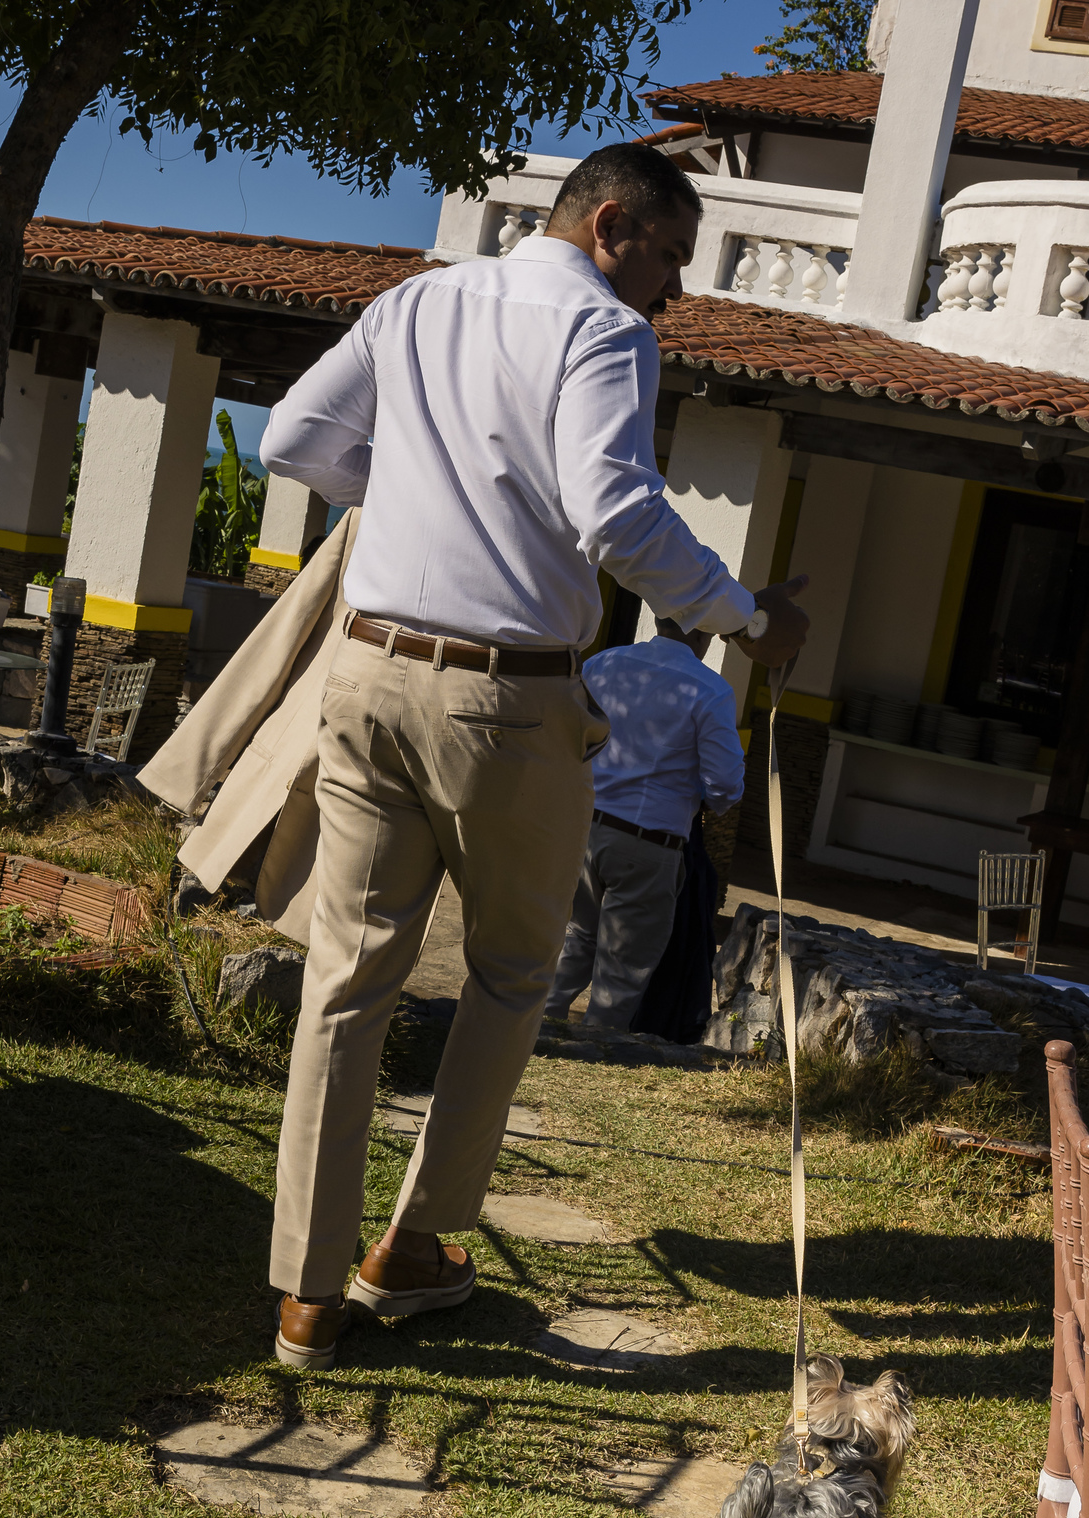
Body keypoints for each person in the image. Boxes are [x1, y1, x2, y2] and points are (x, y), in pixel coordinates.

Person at [256, 142, 809, 1371]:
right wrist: (747, 617)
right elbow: (615, 513)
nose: (671, 290)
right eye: (667, 257)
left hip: (366, 670)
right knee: (513, 975)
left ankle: (304, 1292)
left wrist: (408, 498)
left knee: (345, 980)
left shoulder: (414, 299)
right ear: (610, 227)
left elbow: (288, 441)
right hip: (506, 700)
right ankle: (410, 1249)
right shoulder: (606, 332)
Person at [545, 614, 751, 1031]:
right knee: (622, 969)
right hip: (647, 841)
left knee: (574, 936)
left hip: (581, 825)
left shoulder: (603, 663)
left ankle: (533, 1025)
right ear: (705, 631)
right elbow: (726, 785)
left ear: (657, 618)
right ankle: (591, 1052)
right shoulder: (710, 690)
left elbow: (564, 733)